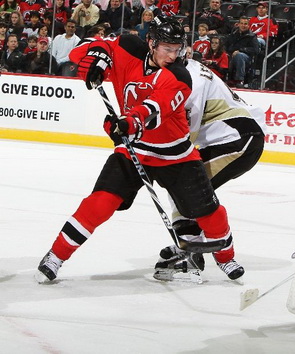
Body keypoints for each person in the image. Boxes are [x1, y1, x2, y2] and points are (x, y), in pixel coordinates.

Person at [36, 16, 242, 283]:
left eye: (177, 48)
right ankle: (56, 255)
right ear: (151, 43)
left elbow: (155, 110)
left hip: (176, 155)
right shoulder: (128, 47)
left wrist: (127, 124)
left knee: (209, 213)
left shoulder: (180, 74)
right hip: (135, 151)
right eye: (167, 48)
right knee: (99, 203)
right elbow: (82, 50)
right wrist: (97, 54)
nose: (173, 54)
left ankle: (226, 258)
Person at [153, 58, 266, 282]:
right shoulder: (186, 68)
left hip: (237, 139)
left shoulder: (190, 80)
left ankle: (197, 254)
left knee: (184, 184)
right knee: (183, 186)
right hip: (237, 137)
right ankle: (194, 249)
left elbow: (185, 138)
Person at [225, 16, 258, 88]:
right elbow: (226, 45)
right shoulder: (233, 34)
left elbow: (255, 50)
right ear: (238, 24)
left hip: (246, 57)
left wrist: (240, 50)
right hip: (231, 54)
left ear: (248, 25)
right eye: (242, 23)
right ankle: (224, 79)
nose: (243, 25)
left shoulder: (252, 36)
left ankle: (240, 80)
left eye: (245, 24)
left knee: (239, 55)